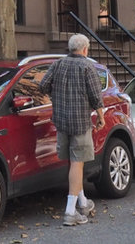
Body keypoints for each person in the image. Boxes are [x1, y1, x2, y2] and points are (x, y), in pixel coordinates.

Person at [39, 33, 105, 226]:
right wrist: (101, 117)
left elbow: (43, 86)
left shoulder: (58, 64)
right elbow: (95, 96)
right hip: (80, 122)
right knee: (78, 163)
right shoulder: (86, 66)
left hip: (61, 121)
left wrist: (56, 95)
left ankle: (83, 202)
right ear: (85, 49)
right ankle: (70, 212)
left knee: (73, 162)